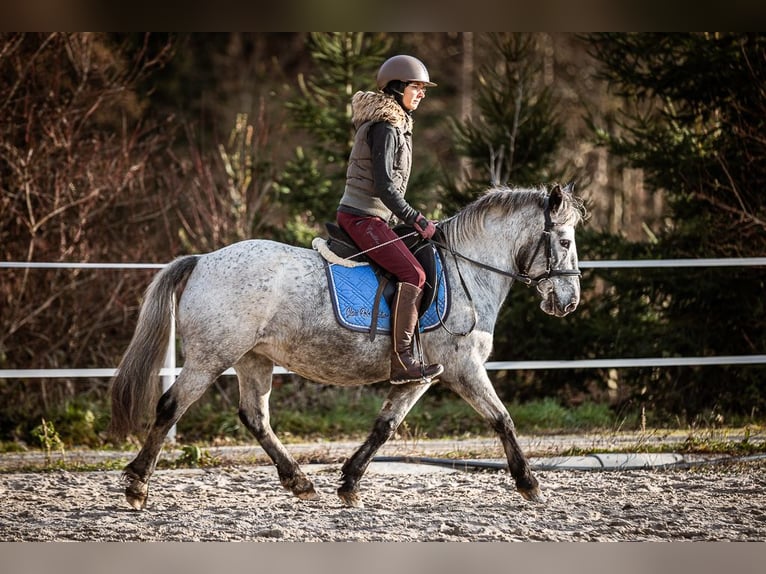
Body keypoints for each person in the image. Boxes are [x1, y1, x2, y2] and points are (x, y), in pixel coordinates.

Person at [336, 54, 444, 385]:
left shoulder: (395, 124)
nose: (422, 94)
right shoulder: (385, 127)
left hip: (374, 217)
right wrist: (416, 219)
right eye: (417, 87)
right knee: (413, 273)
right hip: (362, 218)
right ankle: (402, 361)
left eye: (424, 89)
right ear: (397, 88)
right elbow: (384, 186)